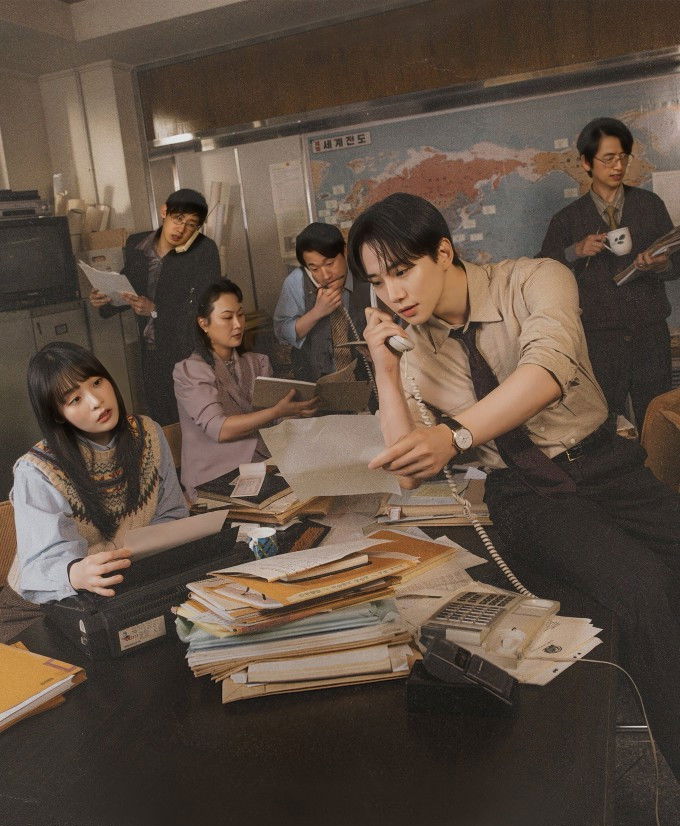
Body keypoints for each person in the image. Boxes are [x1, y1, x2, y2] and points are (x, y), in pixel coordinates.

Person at [347, 192, 680, 779]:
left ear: (443, 252)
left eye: (402, 271)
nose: (393, 293)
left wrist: (454, 435)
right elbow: (408, 467)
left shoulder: (536, 279)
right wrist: (386, 368)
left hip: (607, 465)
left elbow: (545, 372)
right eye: (378, 282)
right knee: (643, 589)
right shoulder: (415, 345)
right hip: (527, 494)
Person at [3, 342, 187, 639]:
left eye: (97, 382)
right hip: (42, 607)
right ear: (58, 414)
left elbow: (172, 513)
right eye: (75, 399)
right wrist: (75, 573)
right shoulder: (37, 470)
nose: (96, 401)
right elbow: (39, 566)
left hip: (121, 588)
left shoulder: (148, 434)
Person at [539, 117, 679, 427]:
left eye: (623, 157)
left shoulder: (650, 205)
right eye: (608, 158)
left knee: (659, 422)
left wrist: (662, 265)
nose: (618, 166)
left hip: (650, 334)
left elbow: (676, 264)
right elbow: (541, 269)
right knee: (603, 423)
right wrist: (574, 251)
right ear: (586, 162)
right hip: (599, 341)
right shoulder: (567, 219)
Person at [173, 278, 317, 501]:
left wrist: (297, 410)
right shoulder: (189, 371)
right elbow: (219, 429)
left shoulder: (257, 362)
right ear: (203, 323)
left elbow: (276, 424)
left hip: (262, 468)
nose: (238, 324)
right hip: (214, 480)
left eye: (240, 315)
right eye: (227, 317)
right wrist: (277, 411)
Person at [90, 188, 221, 425]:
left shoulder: (204, 250)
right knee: (163, 421)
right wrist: (106, 298)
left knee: (197, 422)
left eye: (191, 225)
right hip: (151, 352)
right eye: (178, 218)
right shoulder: (138, 245)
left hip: (187, 352)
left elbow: (207, 307)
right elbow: (128, 287)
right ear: (164, 212)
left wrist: (155, 310)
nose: (181, 229)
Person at [273, 222, 371, 382]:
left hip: (367, 380)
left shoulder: (366, 272)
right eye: (314, 269)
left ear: (344, 251)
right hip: (317, 381)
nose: (325, 276)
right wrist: (317, 313)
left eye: (329, 263)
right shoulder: (296, 282)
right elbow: (282, 332)